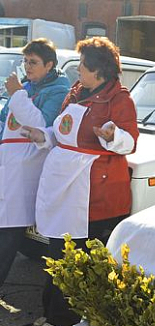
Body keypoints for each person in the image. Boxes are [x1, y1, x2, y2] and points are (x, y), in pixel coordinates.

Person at [21, 37, 139, 326]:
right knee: (58, 251)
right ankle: (51, 310)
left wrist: (113, 136)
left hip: (92, 195)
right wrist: (43, 136)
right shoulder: (77, 92)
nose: (78, 74)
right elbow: (61, 131)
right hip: (65, 187)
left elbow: (130, 142)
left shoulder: (120, 100)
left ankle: (63, 319)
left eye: (83, 68)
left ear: (99, 71)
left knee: (73, 257)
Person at [0, 39, 70, 289]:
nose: (27, 67)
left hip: (27, 169)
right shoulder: (27, 86)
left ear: (49, 65)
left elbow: (43, 126)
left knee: (8, 233)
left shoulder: (59, 90)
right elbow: (3, 120)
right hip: (7, 166)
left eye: (33, 62)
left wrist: (17, 94)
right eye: (25, 61)